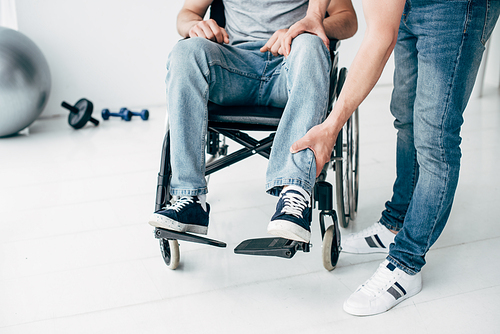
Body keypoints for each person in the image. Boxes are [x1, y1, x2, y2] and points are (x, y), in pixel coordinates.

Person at [287, 0, 500, 317]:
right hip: (410, 6)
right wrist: (315, 14)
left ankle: (407, 262)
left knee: (435, 137)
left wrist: (331, 126)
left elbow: (379, 37)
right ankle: (395, 225)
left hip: (456, 8)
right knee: (406, 117)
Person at [148, 0, 357, 243]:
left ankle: (294, 192)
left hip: (291, 64)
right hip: (234, 65)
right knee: (185, 51)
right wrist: (196, 26)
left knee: (310, 44)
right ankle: (189, 198)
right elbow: (187, 14)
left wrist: (305, 27)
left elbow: (347, 19)